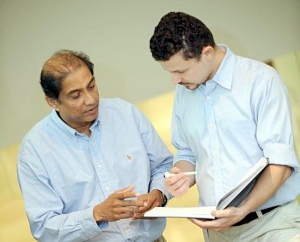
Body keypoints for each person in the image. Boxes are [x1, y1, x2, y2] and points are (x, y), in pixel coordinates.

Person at [149, 12, 300, 242]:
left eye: (180, 71)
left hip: (272, 226)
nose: (174, 80)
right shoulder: (184, 92)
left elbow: (281, 163)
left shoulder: (261, 80)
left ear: (207, 53)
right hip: (217, 233)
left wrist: (242, 209)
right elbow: (187, 153)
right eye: (170, 72)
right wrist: (183, 176)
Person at [17, 50, 173, 242]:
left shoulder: (126, 113)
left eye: (91, 86)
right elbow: (43, 228)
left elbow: (163, 166)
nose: (90, 99)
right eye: (76, 95)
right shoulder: (34, 151)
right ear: (53, 102)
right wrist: (97, 214)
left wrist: (158, 194)